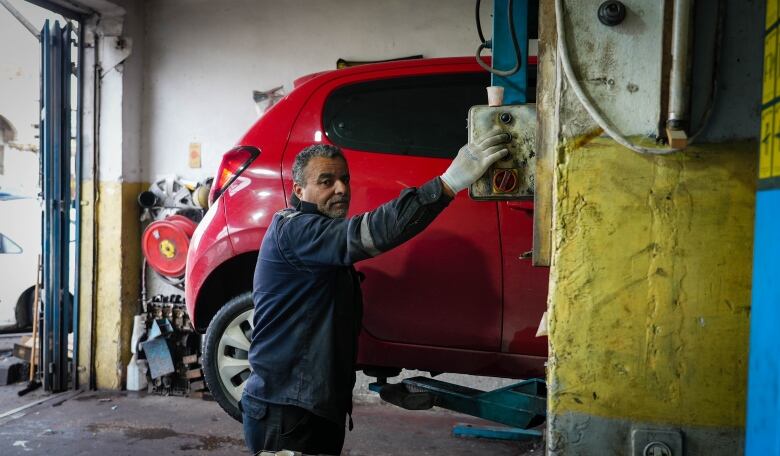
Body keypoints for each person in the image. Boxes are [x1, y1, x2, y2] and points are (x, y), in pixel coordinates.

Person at [241, 131, 511, 455]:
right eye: (326, 181)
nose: (341, 189)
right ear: (299, 190)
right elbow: (371, 232)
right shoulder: (296, 231)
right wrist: (449, 183)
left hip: (313, 407)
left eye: (344, 179)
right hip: (286, 412)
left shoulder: (318, 242)